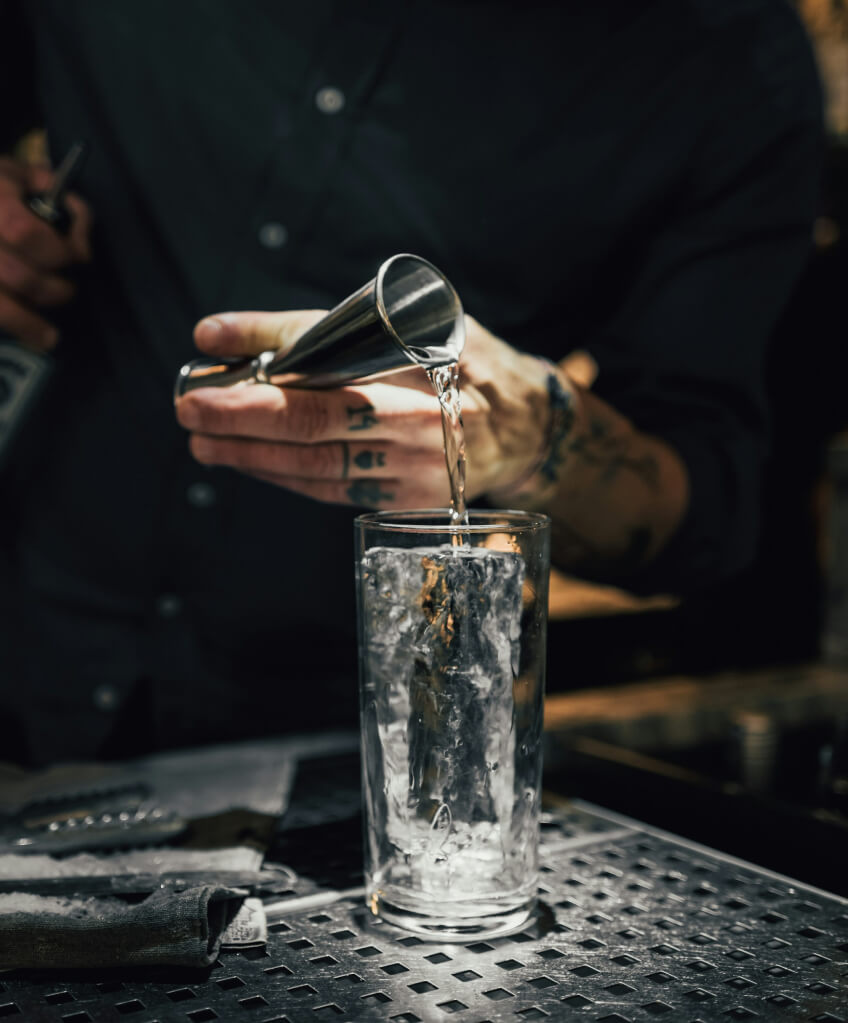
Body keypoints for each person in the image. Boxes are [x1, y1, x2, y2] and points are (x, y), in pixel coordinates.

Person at [0, 1, 823, 765]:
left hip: (346, 741)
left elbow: (703, 511)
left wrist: (538, 440)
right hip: (28, 620)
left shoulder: (724, 50)